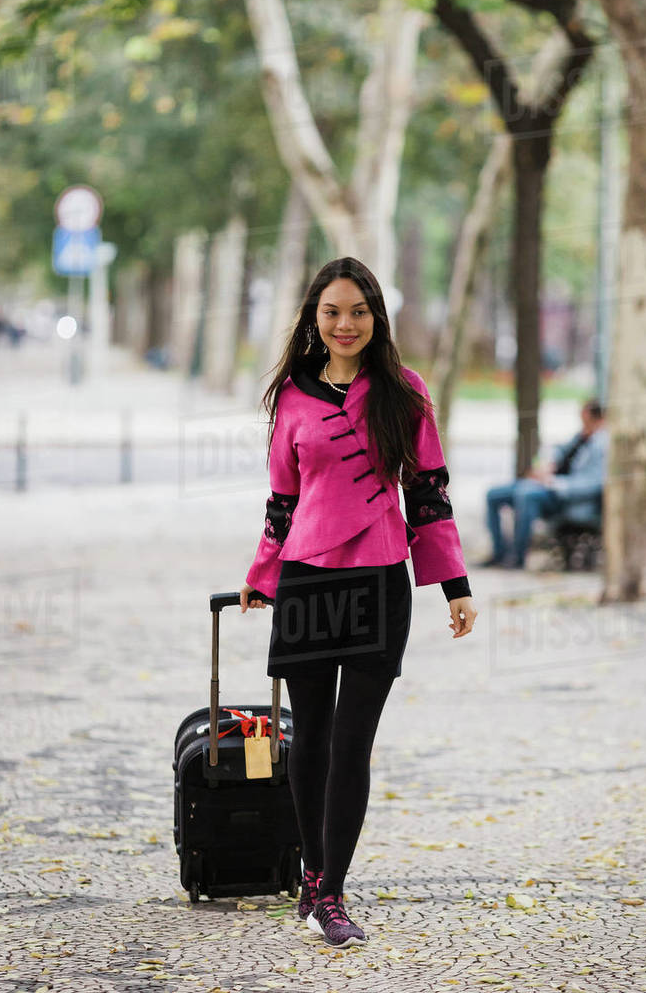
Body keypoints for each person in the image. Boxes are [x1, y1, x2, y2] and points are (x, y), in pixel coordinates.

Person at [239, 256, 477, 948]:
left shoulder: (404, 391)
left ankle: (332, 891)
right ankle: (313, 879)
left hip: (379, 580)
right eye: (332, 312)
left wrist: (453, 585)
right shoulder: (292, 396)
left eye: (358, 312)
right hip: (308, 579)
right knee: (309, 738)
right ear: (314, 319)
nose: (346, 325)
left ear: (377, 317)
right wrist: (262, 574)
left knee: (353, 743)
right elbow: (283, 500)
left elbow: (428, 490)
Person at [482, 399, 608, 569]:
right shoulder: (582, 436)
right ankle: (499, 553)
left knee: (525, 494)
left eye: (585, 418)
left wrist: (553, 482)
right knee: (494, 494)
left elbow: (593, 483)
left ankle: (517, 558)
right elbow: (560, 450)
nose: (582, 422)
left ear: (596, 418)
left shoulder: (602, 443)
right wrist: (547, 465)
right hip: (547, 486)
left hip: (566, 497)